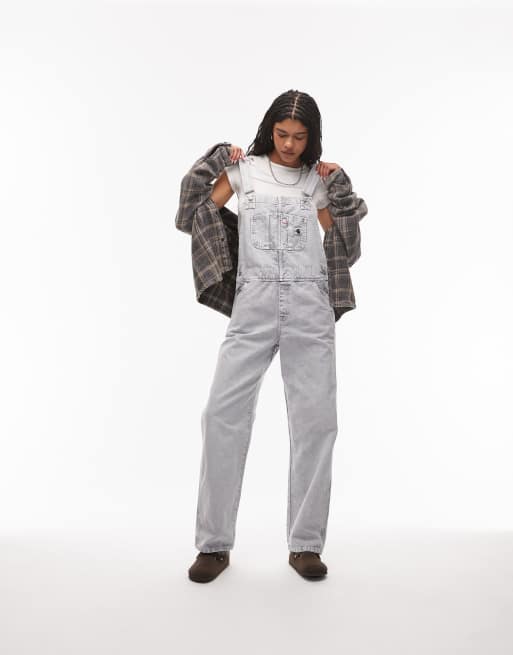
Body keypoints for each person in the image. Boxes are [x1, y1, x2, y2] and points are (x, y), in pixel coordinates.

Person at [184, 90, 368, 582]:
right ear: (269, 129)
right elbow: (192, 213)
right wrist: (216, 160)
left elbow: (344, 249)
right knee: (221, 415)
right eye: (282, 134)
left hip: (310, 306)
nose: (289, 145)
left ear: (312, 138)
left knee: (316, 423)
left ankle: (305, 544)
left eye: (299, 137)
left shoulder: (316, 181)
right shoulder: (244, 172)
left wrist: (341, 192)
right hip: (254, 304)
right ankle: (213, 545)